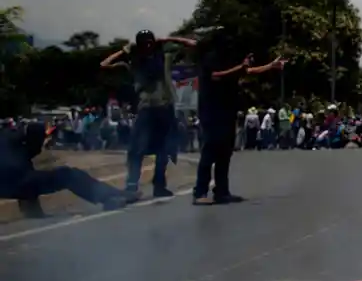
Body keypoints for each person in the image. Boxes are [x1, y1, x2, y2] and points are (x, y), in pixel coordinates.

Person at [100, 30, 197, 202]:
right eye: (143, 43)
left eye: (150, 42)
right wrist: (124, 51)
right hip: (146, 108)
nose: (148, 45)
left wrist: (168, 39)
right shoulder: (134, 63)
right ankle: (132, 186)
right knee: (136, 149)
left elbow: (193, 45)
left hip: (165, 106)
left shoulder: (165, 57)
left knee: (165, 149)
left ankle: (159, 185)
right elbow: (104, 65)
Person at [191, 30, 284, 205]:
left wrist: (270, 66)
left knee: (225, 153)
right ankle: (200, 192)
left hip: (227, 110)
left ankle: (222, 191)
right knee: (210, 150)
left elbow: (247, 71)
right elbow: (215, 76)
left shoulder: (229, 59)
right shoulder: (210, 57)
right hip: (211, 111)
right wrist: (239, 68)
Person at [1, 120, 128, 213]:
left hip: (10, 184)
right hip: (14, 182)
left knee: (31, 179)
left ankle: (33, 215)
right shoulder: (16, 141)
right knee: (68, 175)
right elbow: (22, 177)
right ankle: (110, 196)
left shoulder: (10, 141)